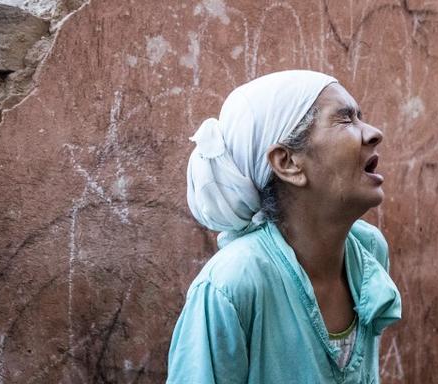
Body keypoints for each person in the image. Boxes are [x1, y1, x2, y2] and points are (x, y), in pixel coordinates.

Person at [168, 70, 401, 383]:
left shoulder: (368, 252)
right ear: (288, 163)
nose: (373, 133)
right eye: (346, 120)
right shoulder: (230, 285)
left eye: (361, 117)